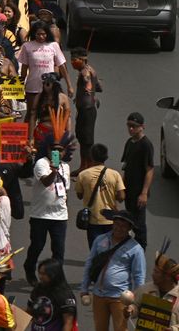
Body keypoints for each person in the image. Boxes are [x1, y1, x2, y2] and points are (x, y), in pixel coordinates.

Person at [81, 209, 147, 331]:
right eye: (117, 224)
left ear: (129, 228)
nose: (119, 228)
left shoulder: (136, 249)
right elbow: (89, 264)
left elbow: (139, 277)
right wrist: (84, 289)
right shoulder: (100, 240)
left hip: (120, 297)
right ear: (112, 223)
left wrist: (135, 303)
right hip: (98, 294)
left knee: (121, 329)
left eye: (123, 226)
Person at [24, 143, 71, 285]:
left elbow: (65, 189)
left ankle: (57, 279)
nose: (57, 152)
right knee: (37, 246)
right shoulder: (41, 163)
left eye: (60, 150)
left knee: (59, 250)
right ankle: (29, 268)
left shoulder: (66, 167)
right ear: (48, 150)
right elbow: (46, 182)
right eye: (54, 149)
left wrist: (64, 206)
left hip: (60, 216)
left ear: (65, 152)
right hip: (40, 215)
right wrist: (54, 171)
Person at [74, 143, 126, 247]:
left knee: (95, 249)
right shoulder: (115, 174)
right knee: (111, 249)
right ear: (106, 157)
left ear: (91, 156)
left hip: (93, 220)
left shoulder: (83, 175)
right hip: (111, 220)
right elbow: (121, 197)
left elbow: (79, 196)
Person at [122, 111, 154, 248]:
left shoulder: (146, 145)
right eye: (129, 125)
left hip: (138, 192)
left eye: (134, 126)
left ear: (142, 127)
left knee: (139, 225)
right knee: (129, 221)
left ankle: (141, 249)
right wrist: (121, 187)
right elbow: (126, 166)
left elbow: (149, 170)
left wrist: (144, 193)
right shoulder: (129, 142)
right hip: (128, 191)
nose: (130, 129)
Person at [28, 258, 77, 331]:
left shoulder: (65, 295)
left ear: (53, 274)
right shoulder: (38, 289)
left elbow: (68, 323)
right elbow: (29, 311)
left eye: (44, 274)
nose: (40, 277)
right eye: (39, 273)